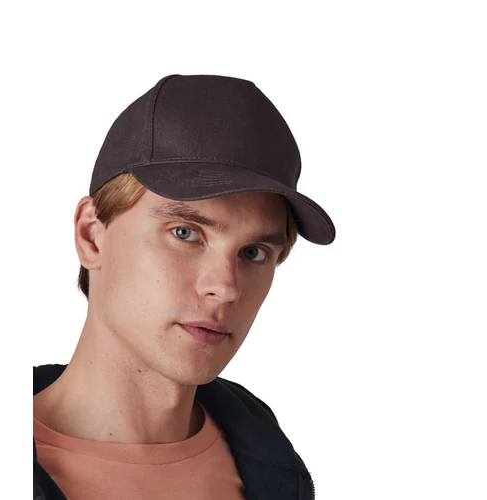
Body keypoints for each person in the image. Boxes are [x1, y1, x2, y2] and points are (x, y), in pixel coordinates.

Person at [31, 74, 335, 500]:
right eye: (185, 233)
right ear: (91, 235)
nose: (225, 288)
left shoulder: (272, 467)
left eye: (253, 253)